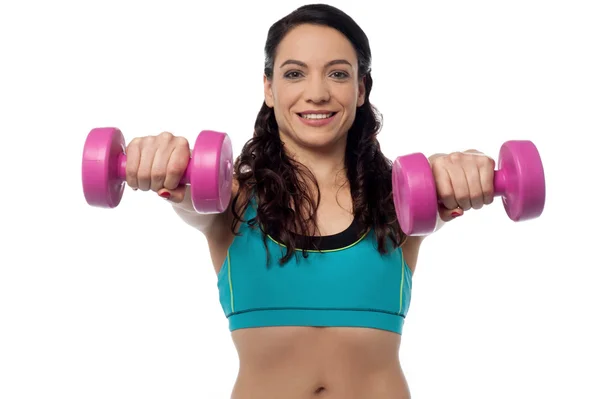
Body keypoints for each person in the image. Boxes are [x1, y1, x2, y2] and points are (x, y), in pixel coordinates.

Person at [124, 4, 495, 398]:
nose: (317, 93)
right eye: (294, 73)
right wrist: (163, 159)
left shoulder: (399, 202)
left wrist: (461, 168)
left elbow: (441, 185)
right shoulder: (230, 201)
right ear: (269, 88)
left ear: (361, 89)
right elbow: (191, 200)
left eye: (337, 74)